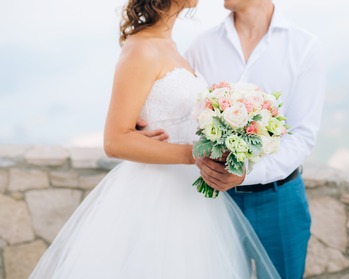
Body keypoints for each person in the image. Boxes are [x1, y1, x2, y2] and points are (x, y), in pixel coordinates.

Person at [28, 0, 280, 278]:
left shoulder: (170, 45)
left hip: (191, 197)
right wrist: (192, 154)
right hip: (156, 197)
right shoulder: (141, 48)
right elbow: (114, 140)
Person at [185, 0, 326, 278]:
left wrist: (245, 174)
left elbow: (302, 136)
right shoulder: (201, 46)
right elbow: (184, 109)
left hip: (279, 201)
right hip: (215, 202)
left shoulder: (304, 46)